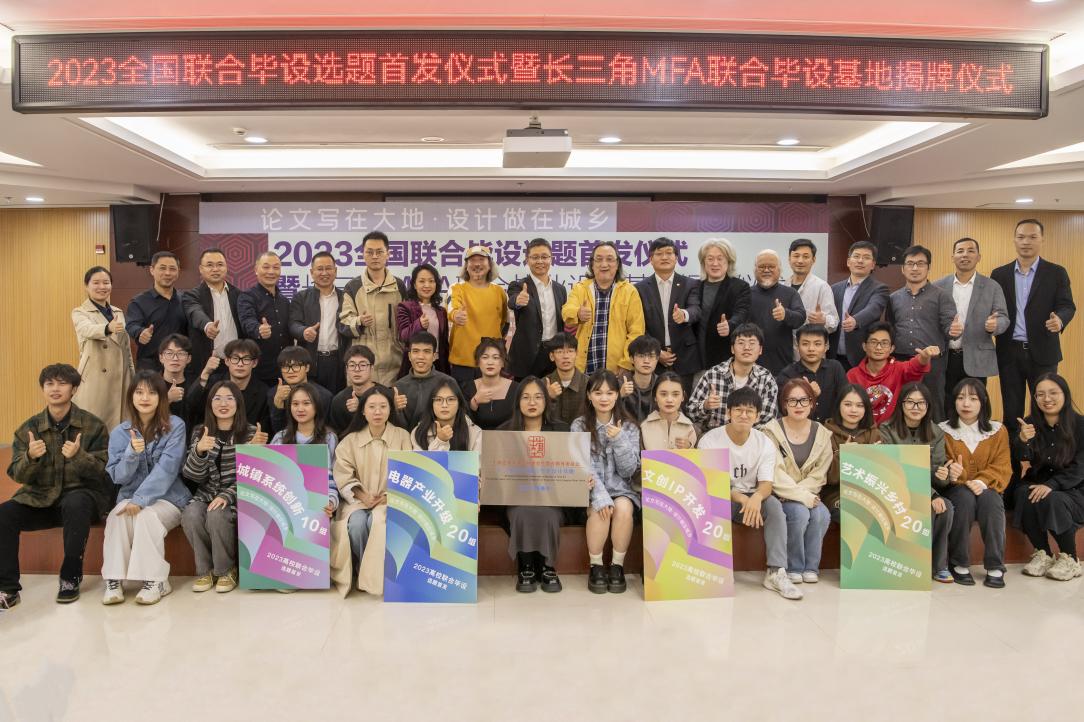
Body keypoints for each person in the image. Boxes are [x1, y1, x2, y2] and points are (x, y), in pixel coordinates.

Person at [0, 364, 111, 608]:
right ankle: (7, 588)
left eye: (62, 383)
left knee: (76, 502)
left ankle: (70, 577)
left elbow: (103, 474)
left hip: (82, 500)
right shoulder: (28, 429)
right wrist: (30, 457)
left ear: (74, 389)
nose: (55, 389)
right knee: (4, 514)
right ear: (43, 389)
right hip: (41, 499)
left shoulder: (93, 426)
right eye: (49, 384)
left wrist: (79, 456)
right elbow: (16, 474)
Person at [698, 386, 801, 600]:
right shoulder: (710, 440)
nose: (744, 415)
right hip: (721, 496)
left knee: (774, 506)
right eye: (738, 410)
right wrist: (741, 497)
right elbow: (712, 484)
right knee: (710, 504)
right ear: (728, 412)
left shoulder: (764, 443)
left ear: (757, 416)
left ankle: (776, 572)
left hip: (753, 496)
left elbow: (766, 484)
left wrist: (756, 498)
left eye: (749, 411)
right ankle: (715, 570)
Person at [101, 371, 190, 605]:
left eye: (152, 392)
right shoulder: (119, 433)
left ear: (161, 397)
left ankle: (156, 581)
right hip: (129, 496)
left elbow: (167, 469)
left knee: (147, 517)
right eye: (139, 392)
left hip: (169, 499)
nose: (145, 398)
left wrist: (140, 500)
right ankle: (113, 579)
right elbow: (118, 476)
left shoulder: (175, 426)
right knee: (116, 516)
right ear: (131, 397)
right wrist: (132, 453)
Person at [180, 380, 266, 594]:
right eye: (217, 398)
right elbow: (191, 475)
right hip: (206, 494)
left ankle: (226, 570)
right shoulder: (201, 431)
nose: (223, 403)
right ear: (210, 403)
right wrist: (199, 451)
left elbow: (254, 476)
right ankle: (205, 570)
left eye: (229, 398)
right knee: (191, 514)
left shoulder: (251, 433)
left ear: (238, 403)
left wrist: (227, 495)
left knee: (217, 514)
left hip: (240, 496)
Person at [992, 219, 1076, 435]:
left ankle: (1046, 454)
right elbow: (994, 309)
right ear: (1014, 240)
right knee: (1012, 411)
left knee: (1047, 408)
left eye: (1032, 237)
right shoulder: (999, 274)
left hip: (1044, 351)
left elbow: (1067, 305)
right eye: (1021, 237)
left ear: (1042, 240)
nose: (1026, 242)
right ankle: (1014, 456)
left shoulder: (1056, 272)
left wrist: (1060, 320)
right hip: (1009, 352)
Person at [330, 387, 412, 596]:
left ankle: (377, 573)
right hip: (358, 500)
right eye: (372, 407)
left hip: (391, 499)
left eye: (383, 406)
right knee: (357, 524)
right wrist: (362, 495)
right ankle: (363, 570)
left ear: (390, 409)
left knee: (376, 522)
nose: (377, 412)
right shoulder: (350, 440)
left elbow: (410, 471)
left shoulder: (403, 437)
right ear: (363, 411)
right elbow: (343, 473)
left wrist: (387, 496)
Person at [499, 377, 573, 593]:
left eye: (538, 397)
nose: (532, 402)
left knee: (547, 513)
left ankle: (547, 565)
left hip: (553, 497)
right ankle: (526, 566)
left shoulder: (561, 430)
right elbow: (497, 470)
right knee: (522, 512)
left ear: (546, 401)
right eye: (526, 397)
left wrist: (581, 478)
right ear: (517, 402)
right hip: (515, 497)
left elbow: (572, 466)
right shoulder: (504, 432)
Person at [878, 382, 956, 583]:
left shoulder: (936, 432)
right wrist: (931, 495)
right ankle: (912, 564)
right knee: (930, 506)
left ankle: (939, 566)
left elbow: (938, 474)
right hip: (894, 490)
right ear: (901, 404)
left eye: (921, 403)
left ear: (928, 406)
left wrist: (943, 476)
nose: (915, 407)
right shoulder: (886, 429)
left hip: (925, 489)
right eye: (910, 402)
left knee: (946, 508)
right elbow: (893, 470)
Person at [938, 379, 1012, 588]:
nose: (966, 404)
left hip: (988, 487)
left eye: (973, 398)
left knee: (991, 500)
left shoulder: (998, 430)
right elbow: (941, 464)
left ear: (983, 402)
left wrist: (982, 481)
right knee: (964, 498)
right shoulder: (942, 430)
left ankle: (995, 565)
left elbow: (1003, 465)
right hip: (956, 488)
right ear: (953, 402)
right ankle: (959, 562)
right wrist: (953, 473)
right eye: (960, 398)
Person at [573, 370, 641, 595]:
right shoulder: (579, 425)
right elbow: (582, 465)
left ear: (617, 395)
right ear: (588, 396)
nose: (604, 398)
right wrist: (600, 496)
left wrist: (619, 439)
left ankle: (617, 567)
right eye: (598, 392)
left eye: (610, 393)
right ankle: (596, 567)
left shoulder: (630, 427)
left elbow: (629, 471)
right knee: (600, 509)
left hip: (622, 489)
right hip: (590, 489)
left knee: (623, 508)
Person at [761, 378, 834, 585]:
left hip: (807, 493)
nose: (798, 405)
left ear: (812, 403)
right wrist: (798, 496)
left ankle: (811, 568)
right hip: (779, 494)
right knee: (799, 513)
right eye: (792, 400)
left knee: (821, 514)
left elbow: (820, 474)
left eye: (804, 400)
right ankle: (794, 567)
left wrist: (801, 495)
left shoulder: (822, 433)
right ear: (784, 404)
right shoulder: (771, 431)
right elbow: (775, 472)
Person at [1014, 374, 1084, 581]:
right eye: (1040, 394)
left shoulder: (1081, 425)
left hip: (1074, 488)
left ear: (1065, 394)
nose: (1047, 399)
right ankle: (1043, 553)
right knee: (1023, 493)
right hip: (1040, 483)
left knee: (1053, 498)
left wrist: (1052, 485)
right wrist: (1022, 440)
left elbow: (1081, 467)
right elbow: (1021, 458)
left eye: (1053, 393)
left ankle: (1070, 558)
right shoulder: (1029, 423)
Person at [932, 237, 1009, 413]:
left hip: (976, 357)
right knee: (946, 406)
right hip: (945, 358)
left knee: (975, 406)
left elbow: (1004, 318)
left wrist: (995, 325)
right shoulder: (938, 286)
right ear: (953, 257)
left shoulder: (992, 286)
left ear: (978, 257)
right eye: (960, 251)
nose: (965, 255)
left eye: (970, 251)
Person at [885, 245, 958, 420]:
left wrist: (954, 330)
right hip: (902, 361)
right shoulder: (893, 298)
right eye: (910, 263)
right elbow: (890, 328)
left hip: (933, 363)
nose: (915, 268)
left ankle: (935, 439)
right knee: (901, 407)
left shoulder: (942, 296)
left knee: (934, 407)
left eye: (920, 263)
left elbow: (949, 328)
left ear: (928, 267)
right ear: (903, 268)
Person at [562, 241, 646, 375]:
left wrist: (626, 363)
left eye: (610, 259)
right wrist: (577, 313)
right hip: (583, 368)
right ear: (592, 264)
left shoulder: (629, 291)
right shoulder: (580, 288)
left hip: (617, 369)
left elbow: (636, 332)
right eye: (599, 259)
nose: (604, 264)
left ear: (617, 264)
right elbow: (566, 312)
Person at [340, 231, 407, 387]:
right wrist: (359, 321)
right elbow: (343, 323)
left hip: (394, 363)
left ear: (388, 254)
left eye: (379, 252)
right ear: (363, 255)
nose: (375, 256)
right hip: (363, 364)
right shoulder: (353, 287)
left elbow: (406, 323)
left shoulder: (399, 286)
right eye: (369, 252)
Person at [634, 237, 701, 390]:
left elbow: (696, 309)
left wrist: (684, 314)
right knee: (654, 400)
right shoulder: (639, 288)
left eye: (669, 253)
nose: (664, 257)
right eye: (659, 254)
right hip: (653, 360)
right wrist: (656, 352)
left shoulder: (690, 284)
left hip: (684, 357)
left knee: (682, 400)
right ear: (651, 259)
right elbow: (639, 324)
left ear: (676, 258)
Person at [72, 266, 134, 430]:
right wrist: (107, 328)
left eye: (106, 282)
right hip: (95, 379)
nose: (102, 287)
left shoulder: (117, 312)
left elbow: (125, 348)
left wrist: (132, 376)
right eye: (96, 283)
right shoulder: (80, 312)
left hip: (121, 378)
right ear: (86, 286)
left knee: (120, 428)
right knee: (94, 427)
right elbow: (87, 330)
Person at [687, 323, 778, 431]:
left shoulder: (766, 379)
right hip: (716, 435)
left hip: (751, 437)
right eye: (741, 343)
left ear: (760, 350)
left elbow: (767, 420)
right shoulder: (713, 374)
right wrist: (705, 405)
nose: (746, 347)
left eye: (752, 343)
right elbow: (690, 413)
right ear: (732, 349)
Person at [271, 383, 340, 523]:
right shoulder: (280, 438)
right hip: (284, 508)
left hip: (317, 510)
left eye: (306, 403)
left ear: (316, 406)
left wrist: (330, 502)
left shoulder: (329, 438)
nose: (300, 409)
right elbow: (271, 476)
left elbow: (334, 476)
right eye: (295, 404)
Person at [846, 321, 937, 425]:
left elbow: (915, 366)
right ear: (864, 346)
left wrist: (924, 357)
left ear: (892, 348)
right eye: (873, 342)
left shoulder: (899, 369)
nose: (878, 347)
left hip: (893, 430)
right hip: (862, 430)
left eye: (884, 343)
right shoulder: (852, 375)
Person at [447, 246, 509, 389]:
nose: (477, 264)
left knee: (492, 402)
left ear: (490, 265)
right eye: (472, 260)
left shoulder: (500, 292)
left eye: (481, 259)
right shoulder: (456, 288)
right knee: (464, 402)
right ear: (466, 266)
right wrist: (456, 315)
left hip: (491, 363)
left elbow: (504, 323)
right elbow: (452, 309)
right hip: (463, 363)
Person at [507, 239, 568, 380]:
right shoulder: (519, 286)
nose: (540, 261)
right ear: (527, 260)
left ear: (551, 259)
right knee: (525, 393)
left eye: (544, 257)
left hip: (554, 354)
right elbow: (512, 301)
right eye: (535, 257)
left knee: (552, 392)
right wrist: (518, 301)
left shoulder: (560, 289)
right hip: (527, 356)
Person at [187, 339, 271, 434]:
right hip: (213, 437)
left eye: (246, 359)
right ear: (227, 361)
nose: (240, 364)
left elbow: (264, 427)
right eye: (235, 358)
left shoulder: (263, 391)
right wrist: (205, 373)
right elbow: (191, 404)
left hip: (247, 440)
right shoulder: (214, 382)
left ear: (254, 363)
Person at [289, 251, 345, 394]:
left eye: (328, 268)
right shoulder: (301, 297)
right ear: (312, 272)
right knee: (311, 401)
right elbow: (293, 324)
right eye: (320, 269)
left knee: (336, 401)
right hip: (310, 361)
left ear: (335, 271)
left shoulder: (345, 297)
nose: (324, 273)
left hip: (338, 362)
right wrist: (303, 331)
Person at [824, 384, 881, 522]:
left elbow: (882, 476)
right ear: (839, 405)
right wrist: (844, 455)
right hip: (837, 495)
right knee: (856, 515)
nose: (854, 410)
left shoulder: (874, 433)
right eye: (848, 404)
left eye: (860, 405)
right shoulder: (825, 433)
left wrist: (878, 458)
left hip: (870, 495)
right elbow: (829, 479)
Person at [692, 238, 751, 372]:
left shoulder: (740, 287)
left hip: (724, 358)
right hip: (695, 360)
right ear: (703, 262)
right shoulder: (694, 286)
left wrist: (730, 325)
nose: (715, 263)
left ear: (729, 261)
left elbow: (742, 313)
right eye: (710, 259)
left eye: (720, 259)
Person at [182, 247, 241, 379]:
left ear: (226, 267)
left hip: (236, 364)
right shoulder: (192, 295)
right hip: (206, 364)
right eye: (209, 265)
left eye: (220, 265)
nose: (215, 269)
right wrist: (207, 325)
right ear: (200, 269)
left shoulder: (239, 295)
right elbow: (195, 312)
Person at [830, 241, 889, 371]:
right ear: (848, 262)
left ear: (873, 264)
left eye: (866, 257)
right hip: (833, 357)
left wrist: (856, 321)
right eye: (856, 256)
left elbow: (874, 309)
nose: (860, 261)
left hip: (860, 358)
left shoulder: (879, 288)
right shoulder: (834, 288)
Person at [126, 251, 188, 372]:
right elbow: (131, 325)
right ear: (152, 270)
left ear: (178, 272)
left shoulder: (186, 300)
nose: (167, 273)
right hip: (150, 366)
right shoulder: (139, 301)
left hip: (180, 366)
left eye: (172, 269)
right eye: (162, 268)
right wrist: (140, 332)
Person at [237, 252, 292, 385]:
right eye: (266, 267)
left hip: (286, 370)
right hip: (259, 371)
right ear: (256, 270)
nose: (271, 272)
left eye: (276, 267)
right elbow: (247, 321)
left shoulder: (285, 301)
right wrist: (259, 329)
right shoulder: (247, 296)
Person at [749, 250, 806, 376]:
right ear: (755, 270)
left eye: (771, 266)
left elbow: (801, 317)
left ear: (779, 270)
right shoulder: (746, 294)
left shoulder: (790, 293)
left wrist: (786, 314)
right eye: (762, 266)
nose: (766, 270)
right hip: (750, 365)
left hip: (782, 366)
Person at [776, 324, 848, 424]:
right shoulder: (787, 375)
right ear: (797, 346)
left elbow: (846, 399)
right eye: (805, 344)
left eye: (817, 344)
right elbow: (783, 409)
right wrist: (808, 395)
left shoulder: (835, 368)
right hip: (800, 428)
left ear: (826, 346)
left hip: (833, 428)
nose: (811, 349)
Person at [393, 332, 463, 431]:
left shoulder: (448, 382)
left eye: (426, 351)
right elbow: (397, 428)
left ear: (434, 356)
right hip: (409, 438)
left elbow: (460, 415)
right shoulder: (399, 386)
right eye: (416, 351)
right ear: (409, 356)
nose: (421, 357)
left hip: (443, 436)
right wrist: (395, 409)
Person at [396, 263, 450, 378]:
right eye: (422, 281)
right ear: (414, 285)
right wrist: (419, 324)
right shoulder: (405, 307)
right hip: (415, 364)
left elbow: (444, 344)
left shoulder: (441, 311)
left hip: (438, 365)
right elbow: (403, 335)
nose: (427, 285)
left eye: (431, 281)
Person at [267, 346, 332, 434]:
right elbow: (277, 432)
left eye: (296, 366)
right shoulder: (273, 394)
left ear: (307, 367)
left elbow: (325, 429)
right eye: (285, 367)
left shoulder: (323, 395)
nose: (290, 371)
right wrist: (278, 408)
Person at [787, 239, 839, 340]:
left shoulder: (822, 286)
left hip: (810, 345)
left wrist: (824, 320)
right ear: (789, 259)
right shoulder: (784, 285)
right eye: (796, 256)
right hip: (785, 345)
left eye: (806, 256)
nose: (800, 261)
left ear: (813, 260)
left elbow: (834, 322)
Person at [329, 345, 385, 434]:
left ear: (372, 368)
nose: (357, 369)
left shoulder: (385, 395)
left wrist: (360, 410)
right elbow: (338, 434)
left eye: (362, 365)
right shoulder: (339, 400)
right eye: (352, 365)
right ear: (346, 369)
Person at [412, 382, 483, 452]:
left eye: (451, 399)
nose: (444, 405)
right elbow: (421, 460)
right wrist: (440, 441)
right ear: (431, 404)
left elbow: (478, 459)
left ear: (459, 403)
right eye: (438, 399)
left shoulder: (475, 432)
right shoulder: (419, 432)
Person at [463, 338, 516, 431]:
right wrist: (474, 402)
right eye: (485, 357)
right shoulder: (467, 388)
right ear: (478, 362)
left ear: (503, 362)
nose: (490, 362)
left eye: (495, 358)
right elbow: (462, 423)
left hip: (508, 438)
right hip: (477, 439)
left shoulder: (516, 389)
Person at [640, 372, 698, 451]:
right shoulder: (644, 427)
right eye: (663, 394)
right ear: (655, 396)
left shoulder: (689, 428)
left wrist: (689, 448)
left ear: (683, 397)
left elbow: (697, 458)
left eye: (675, 394)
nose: (669, 400)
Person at [543, 332, 588, 427]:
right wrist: (548, 397)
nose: (566, 356)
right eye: (560, 352)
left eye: (570, 351)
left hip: (581, 434)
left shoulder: (589, 384)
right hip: (552, 435)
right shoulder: (543, 384)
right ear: (552, 356)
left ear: (577, 354)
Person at [157, 334, 198, 428]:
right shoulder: (151, 384)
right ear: (161, 358)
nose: (175, 358)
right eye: (169, 353)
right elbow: (144, 415)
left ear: (189, 358)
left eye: (181, 353)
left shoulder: (195, 385)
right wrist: (168, 399)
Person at [619, 335, 661, 423]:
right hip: (626, 430)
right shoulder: (620, 383)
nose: (646, 361)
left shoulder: (662, 384)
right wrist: (620, 396)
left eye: (651, 356)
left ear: (657, 359)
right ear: (631, 359)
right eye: (641, 356)